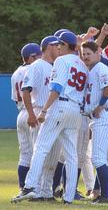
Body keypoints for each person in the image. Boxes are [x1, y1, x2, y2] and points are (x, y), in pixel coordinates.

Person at [11, 31, 88, 204]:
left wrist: (45, 110)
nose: (58, 46)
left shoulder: (61, 61)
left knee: (41, 148)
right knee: (71, 155)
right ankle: (68, 197)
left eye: (60, 44)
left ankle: (30, 186)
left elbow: (56, 87)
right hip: (76, 110)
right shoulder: (82, 64)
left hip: (59, 105)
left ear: (67, 46)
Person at [21, 36, 63, 201]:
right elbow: (26, 90)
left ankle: (46, 192)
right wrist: (31, 114)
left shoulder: (56, 66)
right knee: (39, 154)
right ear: (48, 47)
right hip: (39, 112)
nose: (59, 48)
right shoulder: (37, 65)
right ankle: (35, 191)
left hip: (56, 114)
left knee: (53, 156)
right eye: (56, 46)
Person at [81, 40, 108, 204]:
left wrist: (100, 105)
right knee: (99, 158)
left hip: (103, 116)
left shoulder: (101, 67)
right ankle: (101, 193)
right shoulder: (91, 69)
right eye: (84, 54)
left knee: (98, 159)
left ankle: (106, 196)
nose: (86, 56)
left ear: (98, 53)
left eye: (89, 53)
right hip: (96, 118)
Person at [11, 43, 42, 191]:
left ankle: (22, 187)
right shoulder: (34, 68)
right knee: (38, 153)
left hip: (21, 113)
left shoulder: (16, 72)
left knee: (25, 155)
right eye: (38, 55)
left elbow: (15, 98)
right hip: (32, 112)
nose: (41, 57)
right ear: (31, 57)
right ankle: (36, 187)